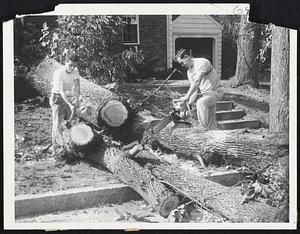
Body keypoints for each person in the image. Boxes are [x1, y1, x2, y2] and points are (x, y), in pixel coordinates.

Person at [174, 49, 224, 130]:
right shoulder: (189, 72)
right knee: (211, 120)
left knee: (201, 103)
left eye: (182, 62)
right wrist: (188, 104)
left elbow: (197, 81)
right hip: (206, 95)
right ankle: (213, 135)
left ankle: (203, 128)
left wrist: (186, 96)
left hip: (216, 91)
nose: (182, 65)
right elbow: (195, 90)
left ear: (186, 57)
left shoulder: (202, 62)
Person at [50, 53, 80, 149]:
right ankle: (56, 147)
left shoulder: (75, 70)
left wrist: (77, 99)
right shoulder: (59, 73)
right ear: (65, 62)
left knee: (68, 122)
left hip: (68, 97)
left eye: (74, 66)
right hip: (57, 97)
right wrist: (70, 104)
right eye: (70, 65)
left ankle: (67, 144)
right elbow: (61, 91)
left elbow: (77, 86)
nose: (72, 68)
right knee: (57, 124)